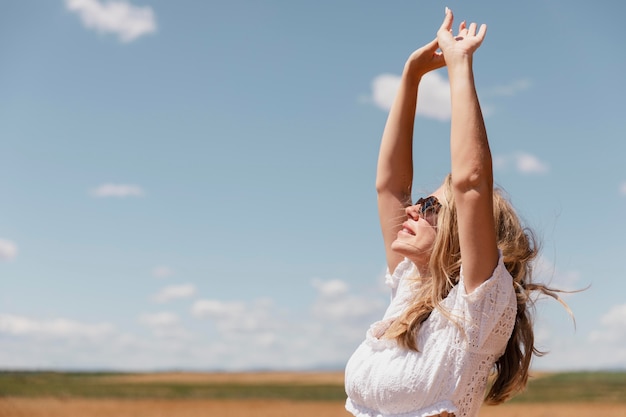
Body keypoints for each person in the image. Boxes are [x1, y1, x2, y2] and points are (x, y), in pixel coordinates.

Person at [344, 8, 565, 417]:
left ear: (461, 227)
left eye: (429, 206)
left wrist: (459, 64)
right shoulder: (411, 287)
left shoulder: (477, 307)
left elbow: (471, 182)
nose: (410, 209)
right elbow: (390, 186)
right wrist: (411, 77)